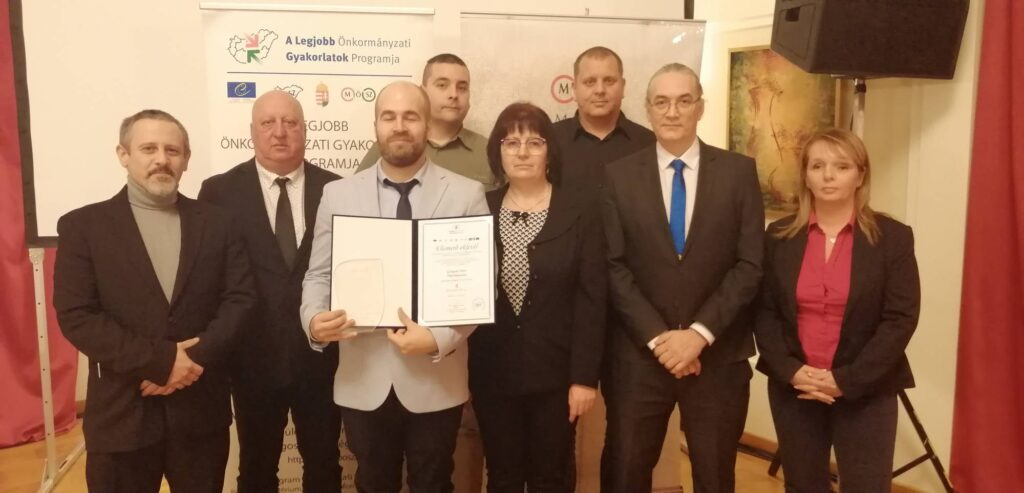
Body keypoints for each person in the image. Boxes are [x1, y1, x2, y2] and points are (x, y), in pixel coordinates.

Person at [53, 109, 257, 492]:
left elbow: (240, 301)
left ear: (186, 159)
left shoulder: (219, 224)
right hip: (121, 417)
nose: (162, 159)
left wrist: (190, 362)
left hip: (201, 414)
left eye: (172, 150)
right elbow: (77, 315)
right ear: (123, 154)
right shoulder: (83, 227)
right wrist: (161, 363)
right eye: (149, 148)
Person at [300, 81, 488, 492]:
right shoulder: (338, 195)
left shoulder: (466, 194)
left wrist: (438, 339)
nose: (399, 126)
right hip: (363, 379)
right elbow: (318, 275)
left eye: (410, 116)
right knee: (373, 484)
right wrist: (314, 321)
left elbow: (479, 287)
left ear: (427, 125)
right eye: (389, 117)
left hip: (437, 380)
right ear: (376, 126)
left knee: (434, 483)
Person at [601, 63, 764, 492]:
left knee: (715, 478)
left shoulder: (739, 173)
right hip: (640, 358)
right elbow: (613, 265)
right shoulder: (618, 176)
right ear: (648, 109)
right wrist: (660, 339)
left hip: (718, 357)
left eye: (683, 101)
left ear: (700, 107)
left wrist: (698, 334)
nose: (672, 111)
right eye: (662, 102)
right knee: (625, 475)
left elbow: (750, 264)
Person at [755, 128, 920, 492]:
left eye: (841, 166)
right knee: (803, 485)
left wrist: (845, 380)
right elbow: (764, 312)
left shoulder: (893, 237)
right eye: (817, 166)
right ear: (805, 175)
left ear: (860, 175)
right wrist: (792, 371)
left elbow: (900, 319)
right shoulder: (778, 236)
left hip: (867, 390)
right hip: (796, 388)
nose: (828, 175)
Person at [198, 90, 342, 492]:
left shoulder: (335, 189)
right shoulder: (218, 193)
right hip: (251, 360)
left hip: (322, 358)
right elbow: (210, 278)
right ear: (252, 131)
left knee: (325, 465)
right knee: (256, 469)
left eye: (290, 122)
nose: (279, 132)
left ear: (305, 131)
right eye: (268, 123)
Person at [468, 102, 606, 492]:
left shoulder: (580, 210)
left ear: (550, 151)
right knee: (503, 476)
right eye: (511, 143)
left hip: (558, 378)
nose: (523, 152)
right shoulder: (480, 209)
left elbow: (593, 300)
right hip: (493, 372)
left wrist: (584, 378)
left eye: (534, 142)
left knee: (551, 477)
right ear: (498, 152)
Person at [356, 53, 496, 189]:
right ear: (423, 91)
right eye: (442, 85)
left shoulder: (490, 151)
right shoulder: (392, 145)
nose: (454, 94)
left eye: (462, 88)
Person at [552, 46, 655, 194]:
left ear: (623, 87)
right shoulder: (550, 140)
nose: (600, 90)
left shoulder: (649, 143)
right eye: (590, 82)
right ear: (574, 89)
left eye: (609, 81)